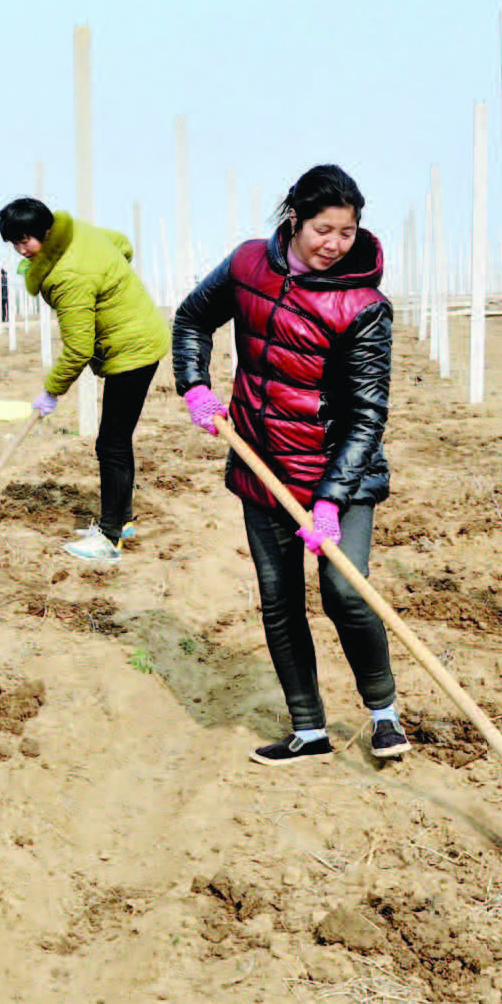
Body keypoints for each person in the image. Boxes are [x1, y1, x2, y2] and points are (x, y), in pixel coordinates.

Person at [171, 164, 409, 766]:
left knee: (345, 592)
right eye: (323, 229)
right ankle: (309, 728)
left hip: (339, 472)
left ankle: (383, 716)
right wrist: (194, 384)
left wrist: (329, 500)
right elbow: (193, 318)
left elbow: (366, 415)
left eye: (347, 232)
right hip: (262, 461)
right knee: (278, 598)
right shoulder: (250, 264)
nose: (334, 244)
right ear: (294, 220)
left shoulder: (364, 306)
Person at [0, 196, 168, 563]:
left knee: (111, 444)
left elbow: (77, 349)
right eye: (15, 243)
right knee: (118, 441)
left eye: (25, 240)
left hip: (131, 351)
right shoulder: (77, 231)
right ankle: (121, 521)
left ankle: (109, 539)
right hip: (143, 334)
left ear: (45, 231)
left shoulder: (66, 277)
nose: (21, 250)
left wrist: (51, 391)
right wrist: (110, 284)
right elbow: (123, 244)